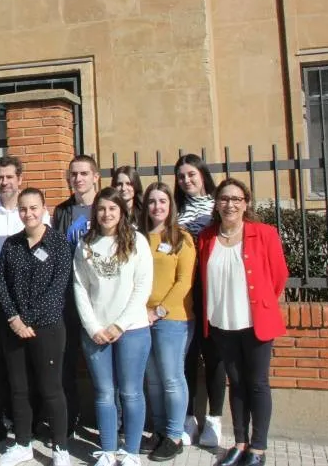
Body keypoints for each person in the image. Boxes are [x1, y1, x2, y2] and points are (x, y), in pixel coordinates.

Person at [199, 179, 288, 466]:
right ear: (216, 202)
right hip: (222, 322)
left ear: (246, 203)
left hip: (255, 322)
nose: (230, 204)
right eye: (225, 199)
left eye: (237, 199)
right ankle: (240, 442)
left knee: (258, 383)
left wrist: (260, 304)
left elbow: (278, 277)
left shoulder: (264, 234)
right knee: (235, 383)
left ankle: (258, 448)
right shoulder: (207, 237)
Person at [0, 155, 51, 442]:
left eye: (9, 176)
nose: (4, 182)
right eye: (0, 177)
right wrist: (5, 287)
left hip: (30, 301)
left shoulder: (34, 211)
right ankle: (4, 419)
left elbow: (46, 256)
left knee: (33, 360)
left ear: (19, 178)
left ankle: (36, 420)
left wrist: (20, 293)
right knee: (1, 361)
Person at [0, 188, 74, 466]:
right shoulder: (11, 244)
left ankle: (61, 448)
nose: (28, 213)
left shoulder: (59, 243)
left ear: (44, 209)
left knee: (51, 389)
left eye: (34, 208)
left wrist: (29, 320)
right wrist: (15, 319)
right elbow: (1, 284)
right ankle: (23, 444)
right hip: (14, 329)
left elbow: (58, 288)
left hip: (47, 328)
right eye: (23, 209)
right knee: (19, 389)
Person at [74, 187, 153, 466]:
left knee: (131, 391)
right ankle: (107, 450)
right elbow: (80, 288)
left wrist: (120, 325)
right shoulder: (86, 244)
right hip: (96, 332)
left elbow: (142, 288)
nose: (106, 214)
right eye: (102, 209)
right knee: (104, 392)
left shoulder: (137, 242)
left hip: (132, 331)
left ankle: (130, 452)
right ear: (95, 212)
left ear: (122, 211)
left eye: (112, 209)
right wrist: (93, 326)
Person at [139, 182, 196, 461]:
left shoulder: (181, 237)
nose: (157, 207)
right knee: (151, 379)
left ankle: (174, 435)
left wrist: (159, 311)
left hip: (171, 319)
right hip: (140, 319)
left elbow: (184, 281)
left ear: (171, 205)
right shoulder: (138, 237)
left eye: (162, 201)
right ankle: (159, 431)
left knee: (171, 377)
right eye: (152, 201)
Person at [175, 153, 225, 448]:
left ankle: (215, 420)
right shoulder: (177, 210)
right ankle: (190, 417)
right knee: (188, 355)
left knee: (215, 356)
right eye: (181, 176)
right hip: (186, 291)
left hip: (213, 291)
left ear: (203, 175)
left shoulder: (218, 208)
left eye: (191, 174)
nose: (186, 180)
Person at [52, 153, 100, 438]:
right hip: (69, 298)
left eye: (84, 173)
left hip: (101, 299)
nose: (78, 179)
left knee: (102, 362)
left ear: (95, 176)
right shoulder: (62, 211)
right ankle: (70, 418)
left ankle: (111, 423)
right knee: (66, 361)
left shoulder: (107, 207)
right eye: (74, 174)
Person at [112, 166, 144, 230]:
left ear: (136, 185)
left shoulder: (144, 212)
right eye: (119, 184)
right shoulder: (111, 212)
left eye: (128, 184)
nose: (123, 188)